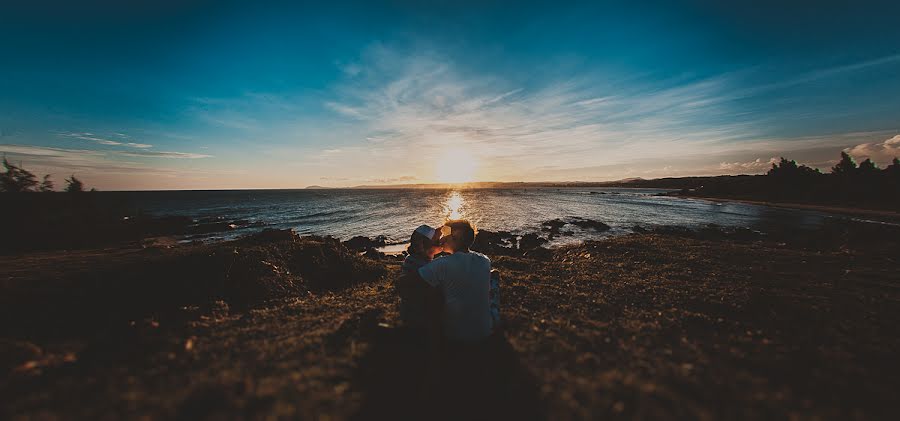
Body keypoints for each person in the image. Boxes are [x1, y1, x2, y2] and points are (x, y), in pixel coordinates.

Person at [416, 219, 493, 343]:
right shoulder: (484, 260)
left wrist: (428, 253)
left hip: (456, 336)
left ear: (457, 236)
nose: (441, 237)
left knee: (431, 291)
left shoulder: (442, 264)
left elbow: (405, 283)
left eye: (445, 232)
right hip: (484, 332)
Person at [396, 224, 443, 328]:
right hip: (420, 319)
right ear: (423, 245)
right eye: (437, 240)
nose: (441, 242)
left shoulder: (411, 259)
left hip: (410, 314)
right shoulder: (422, 265)